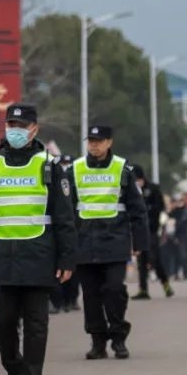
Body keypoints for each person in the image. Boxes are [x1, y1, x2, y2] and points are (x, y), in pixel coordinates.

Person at [0, 104, 76, 375]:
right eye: (11, 123)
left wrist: (66, 259)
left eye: (22, 124)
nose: (16, 129)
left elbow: (64, 216)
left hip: (39, 255)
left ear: (34, 129)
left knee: (36, 324)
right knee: (4, 323)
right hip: (0, 257)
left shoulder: (48, 165)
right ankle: (14, 366)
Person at [69, 126, 148, 360]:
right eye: (91, 141)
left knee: (114, 290)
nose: (94, 145)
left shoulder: (122, 168)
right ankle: (97, 340)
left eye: (99, 141)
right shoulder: (75, 169)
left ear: (109, 142)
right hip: (84, 243)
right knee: (91, 295)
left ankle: (118, 336)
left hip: (115, 241)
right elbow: (66, 210)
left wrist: (140, 243)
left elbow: (137, 208)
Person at [132, 165, 174, 300]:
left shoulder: (153, 188)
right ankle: (143, 289)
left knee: (155, 258)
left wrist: (147, 210)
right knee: (141, 260)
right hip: (137, 230)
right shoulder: (131, 189)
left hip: (151, 229)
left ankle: (166, 284)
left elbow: (160, 206)